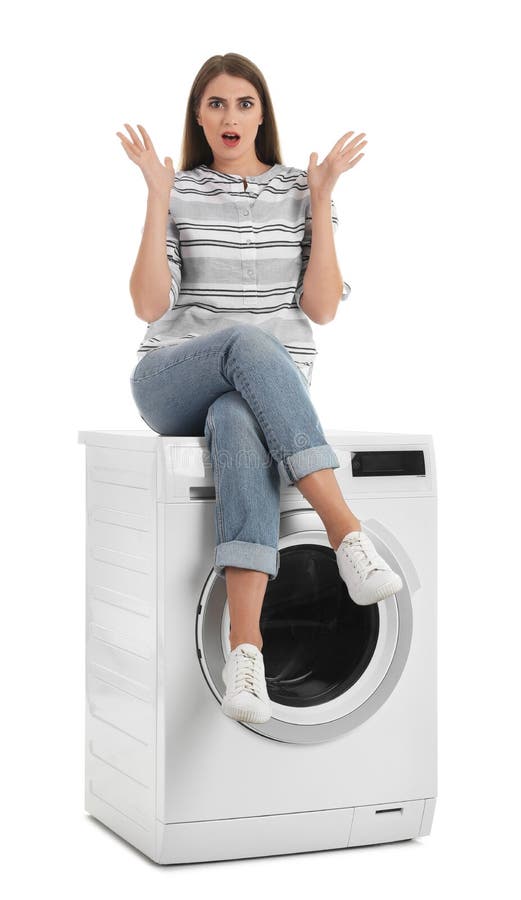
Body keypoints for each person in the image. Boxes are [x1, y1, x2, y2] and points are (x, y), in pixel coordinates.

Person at [117, 53, 402, 725]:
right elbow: (149, 306)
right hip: (171, 379)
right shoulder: (180, 189)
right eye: (215, 104)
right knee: (251, 342)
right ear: (199, 115)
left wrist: (323, 199)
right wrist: (157, 199)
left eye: (244, 103)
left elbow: (323, 307)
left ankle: (244, 653)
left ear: (262, 114)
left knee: (240, 418)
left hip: (262, 397)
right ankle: (345, 531)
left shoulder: (302, 189)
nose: (230, 117)